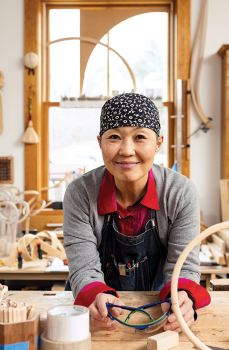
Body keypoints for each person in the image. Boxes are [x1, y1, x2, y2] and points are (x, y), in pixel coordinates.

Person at [63, 93, 210, 333]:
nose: (127, 150)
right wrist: (95, 294)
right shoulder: (80, 193)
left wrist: (182, 297)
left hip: (158, 311)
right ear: (100, 142)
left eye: (140, 137)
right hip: (96, 315)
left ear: (158, 143)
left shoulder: (180, 192)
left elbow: (183, 266)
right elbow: (83, 267)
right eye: (114, 138)